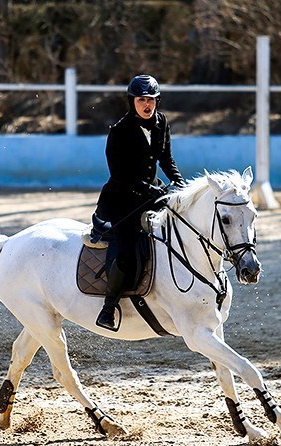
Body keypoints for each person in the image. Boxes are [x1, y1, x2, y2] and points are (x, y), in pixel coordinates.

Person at [93, 74, 184, 331]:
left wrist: (179, 183)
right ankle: (108, 308)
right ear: (132, 101)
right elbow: (120, 176)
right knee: (126, 252)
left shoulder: (161, 122)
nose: (147, 105)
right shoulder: (119, 131)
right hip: (122, 201)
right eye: (142, 100)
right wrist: (150, 189)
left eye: (151, 100)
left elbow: (166, 159)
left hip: (152, 195)